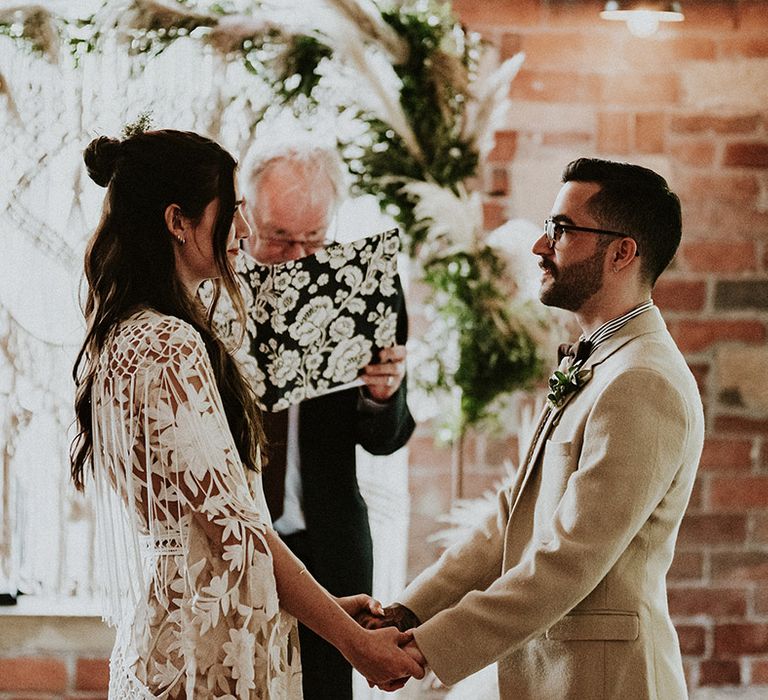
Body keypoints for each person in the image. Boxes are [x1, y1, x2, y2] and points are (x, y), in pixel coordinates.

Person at [70, 128, 424, 698]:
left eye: (313, 237)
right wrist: (351, 640)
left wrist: (325, 610)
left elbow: (216, 524)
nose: (242, 232)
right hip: (212, 635)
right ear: (178, 221)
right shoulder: (171, 343)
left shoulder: (126, 331)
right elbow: (237, 527)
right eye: (235, 213)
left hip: (206, 603)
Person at [366, 158, 705, 698]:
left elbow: (569, 559)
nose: (540, 246)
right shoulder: (600, 362)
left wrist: (429, 646)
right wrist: (407, 610)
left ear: (623, 252)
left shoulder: (642, 381)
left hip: (605, 683)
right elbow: (512, 514)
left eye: (562, 230)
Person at [239, 147, 415, 700]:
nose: (296, 256)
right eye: (279, 238)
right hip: (237, 544)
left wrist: (382, 396)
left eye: (313, 239)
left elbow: (386, 440)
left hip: (329, 547)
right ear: (246, 216)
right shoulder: (213, 288)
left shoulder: (363, 289)